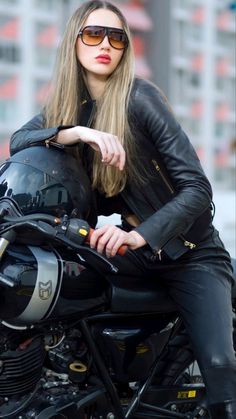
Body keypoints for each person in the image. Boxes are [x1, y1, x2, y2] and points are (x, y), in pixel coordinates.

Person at [9, 1, 236, 417]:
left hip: (189, 254)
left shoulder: (141, 99)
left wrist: (137, 234)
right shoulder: (69, 111)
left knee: (221, 365)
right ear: (74, 42)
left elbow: (198, 188)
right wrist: (76, 132)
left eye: (117, 37)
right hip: (135, 256)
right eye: (94, 34)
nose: (106, 45)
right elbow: (19, 143)